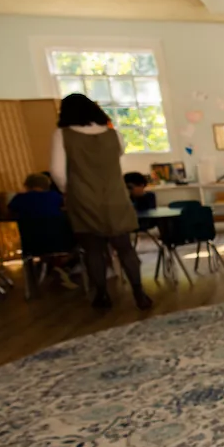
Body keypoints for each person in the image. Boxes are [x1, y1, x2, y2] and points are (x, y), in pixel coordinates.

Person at [51, 93, 152, 310]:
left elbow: (58, 172)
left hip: (84, 198)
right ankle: (139, 292)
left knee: (94, 250)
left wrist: (69, 191)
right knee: (125, 248)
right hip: (115, 197)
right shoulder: (114, 135)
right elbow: (119, 154)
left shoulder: (63, 135)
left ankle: (102, 295)